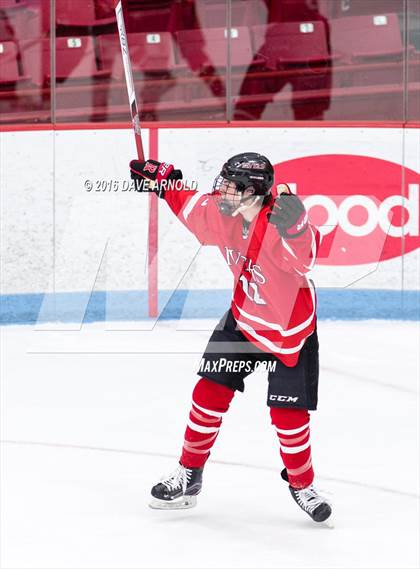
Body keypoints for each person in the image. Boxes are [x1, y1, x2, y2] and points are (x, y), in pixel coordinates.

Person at [129, 152, 332, 523]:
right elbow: (190, 205)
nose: (221, 191)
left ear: (253, 192)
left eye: (230, 186)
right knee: (208, 393)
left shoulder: (281, 223)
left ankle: (302, 484)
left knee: (288, 415)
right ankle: (189, 475)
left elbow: (305, 260)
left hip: (289, 331)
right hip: (242, 319)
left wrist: (298, 229)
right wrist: (163, 179)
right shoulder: (223, 216)